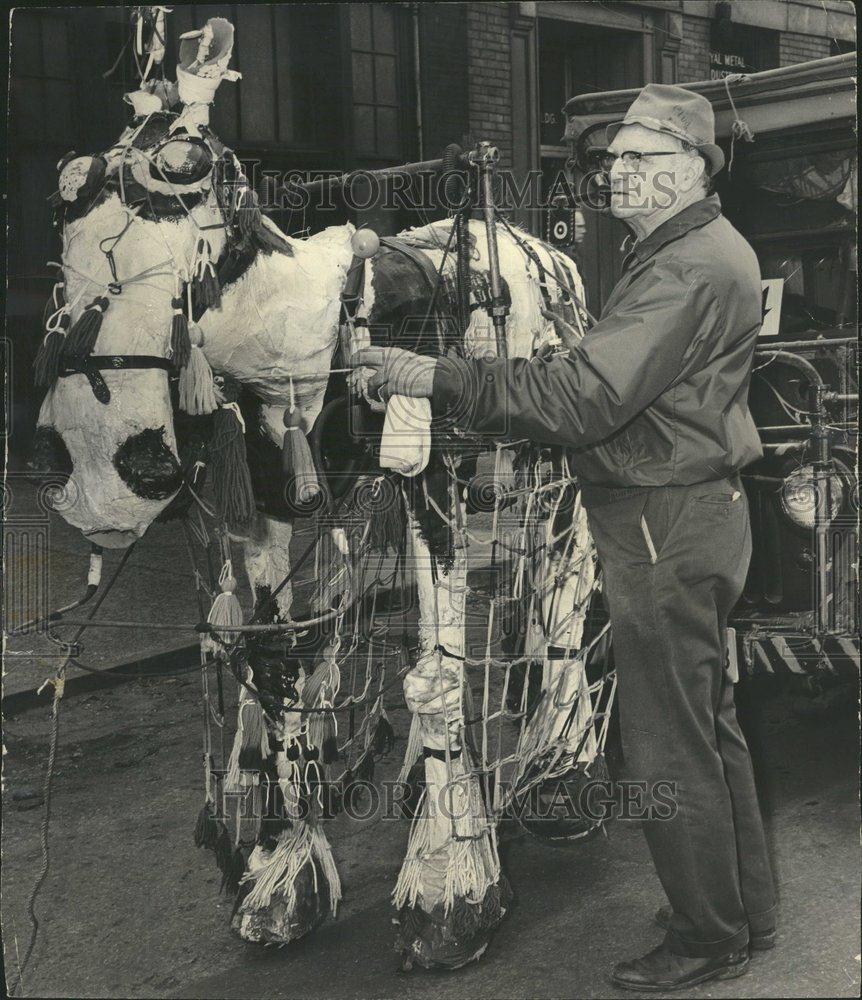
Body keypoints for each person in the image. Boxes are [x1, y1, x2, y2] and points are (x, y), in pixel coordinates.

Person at [351, 83, 777, 992]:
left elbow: (583, 399)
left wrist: (436, 375)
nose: (612, 175)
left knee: (668, 743)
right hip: (698, 512)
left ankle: (708, 937)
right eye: (612, 160)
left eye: (635, 162)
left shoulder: (683, 268)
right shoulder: (695, 250)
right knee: (710, 724)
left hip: (661, 522)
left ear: (685, 171)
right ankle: (744, 907)